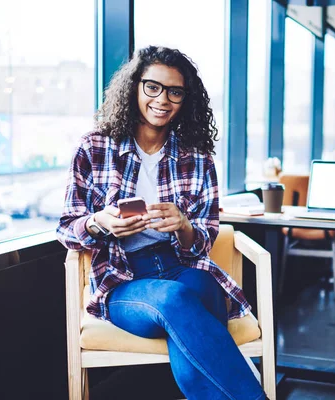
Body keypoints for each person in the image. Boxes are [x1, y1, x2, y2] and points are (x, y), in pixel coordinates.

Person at [56, 46, 267, 400]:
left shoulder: (197, 157)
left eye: (175, 91)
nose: (162, 99)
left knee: (195, 293)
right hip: (124, 279)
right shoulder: (94, 147)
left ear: (186, 99)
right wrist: (97, 222)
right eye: (152, 87)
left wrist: (184, 225)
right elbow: (66, 228)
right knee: (177, 300)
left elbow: (204, 239)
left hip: (181, 266)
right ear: (134, 87)